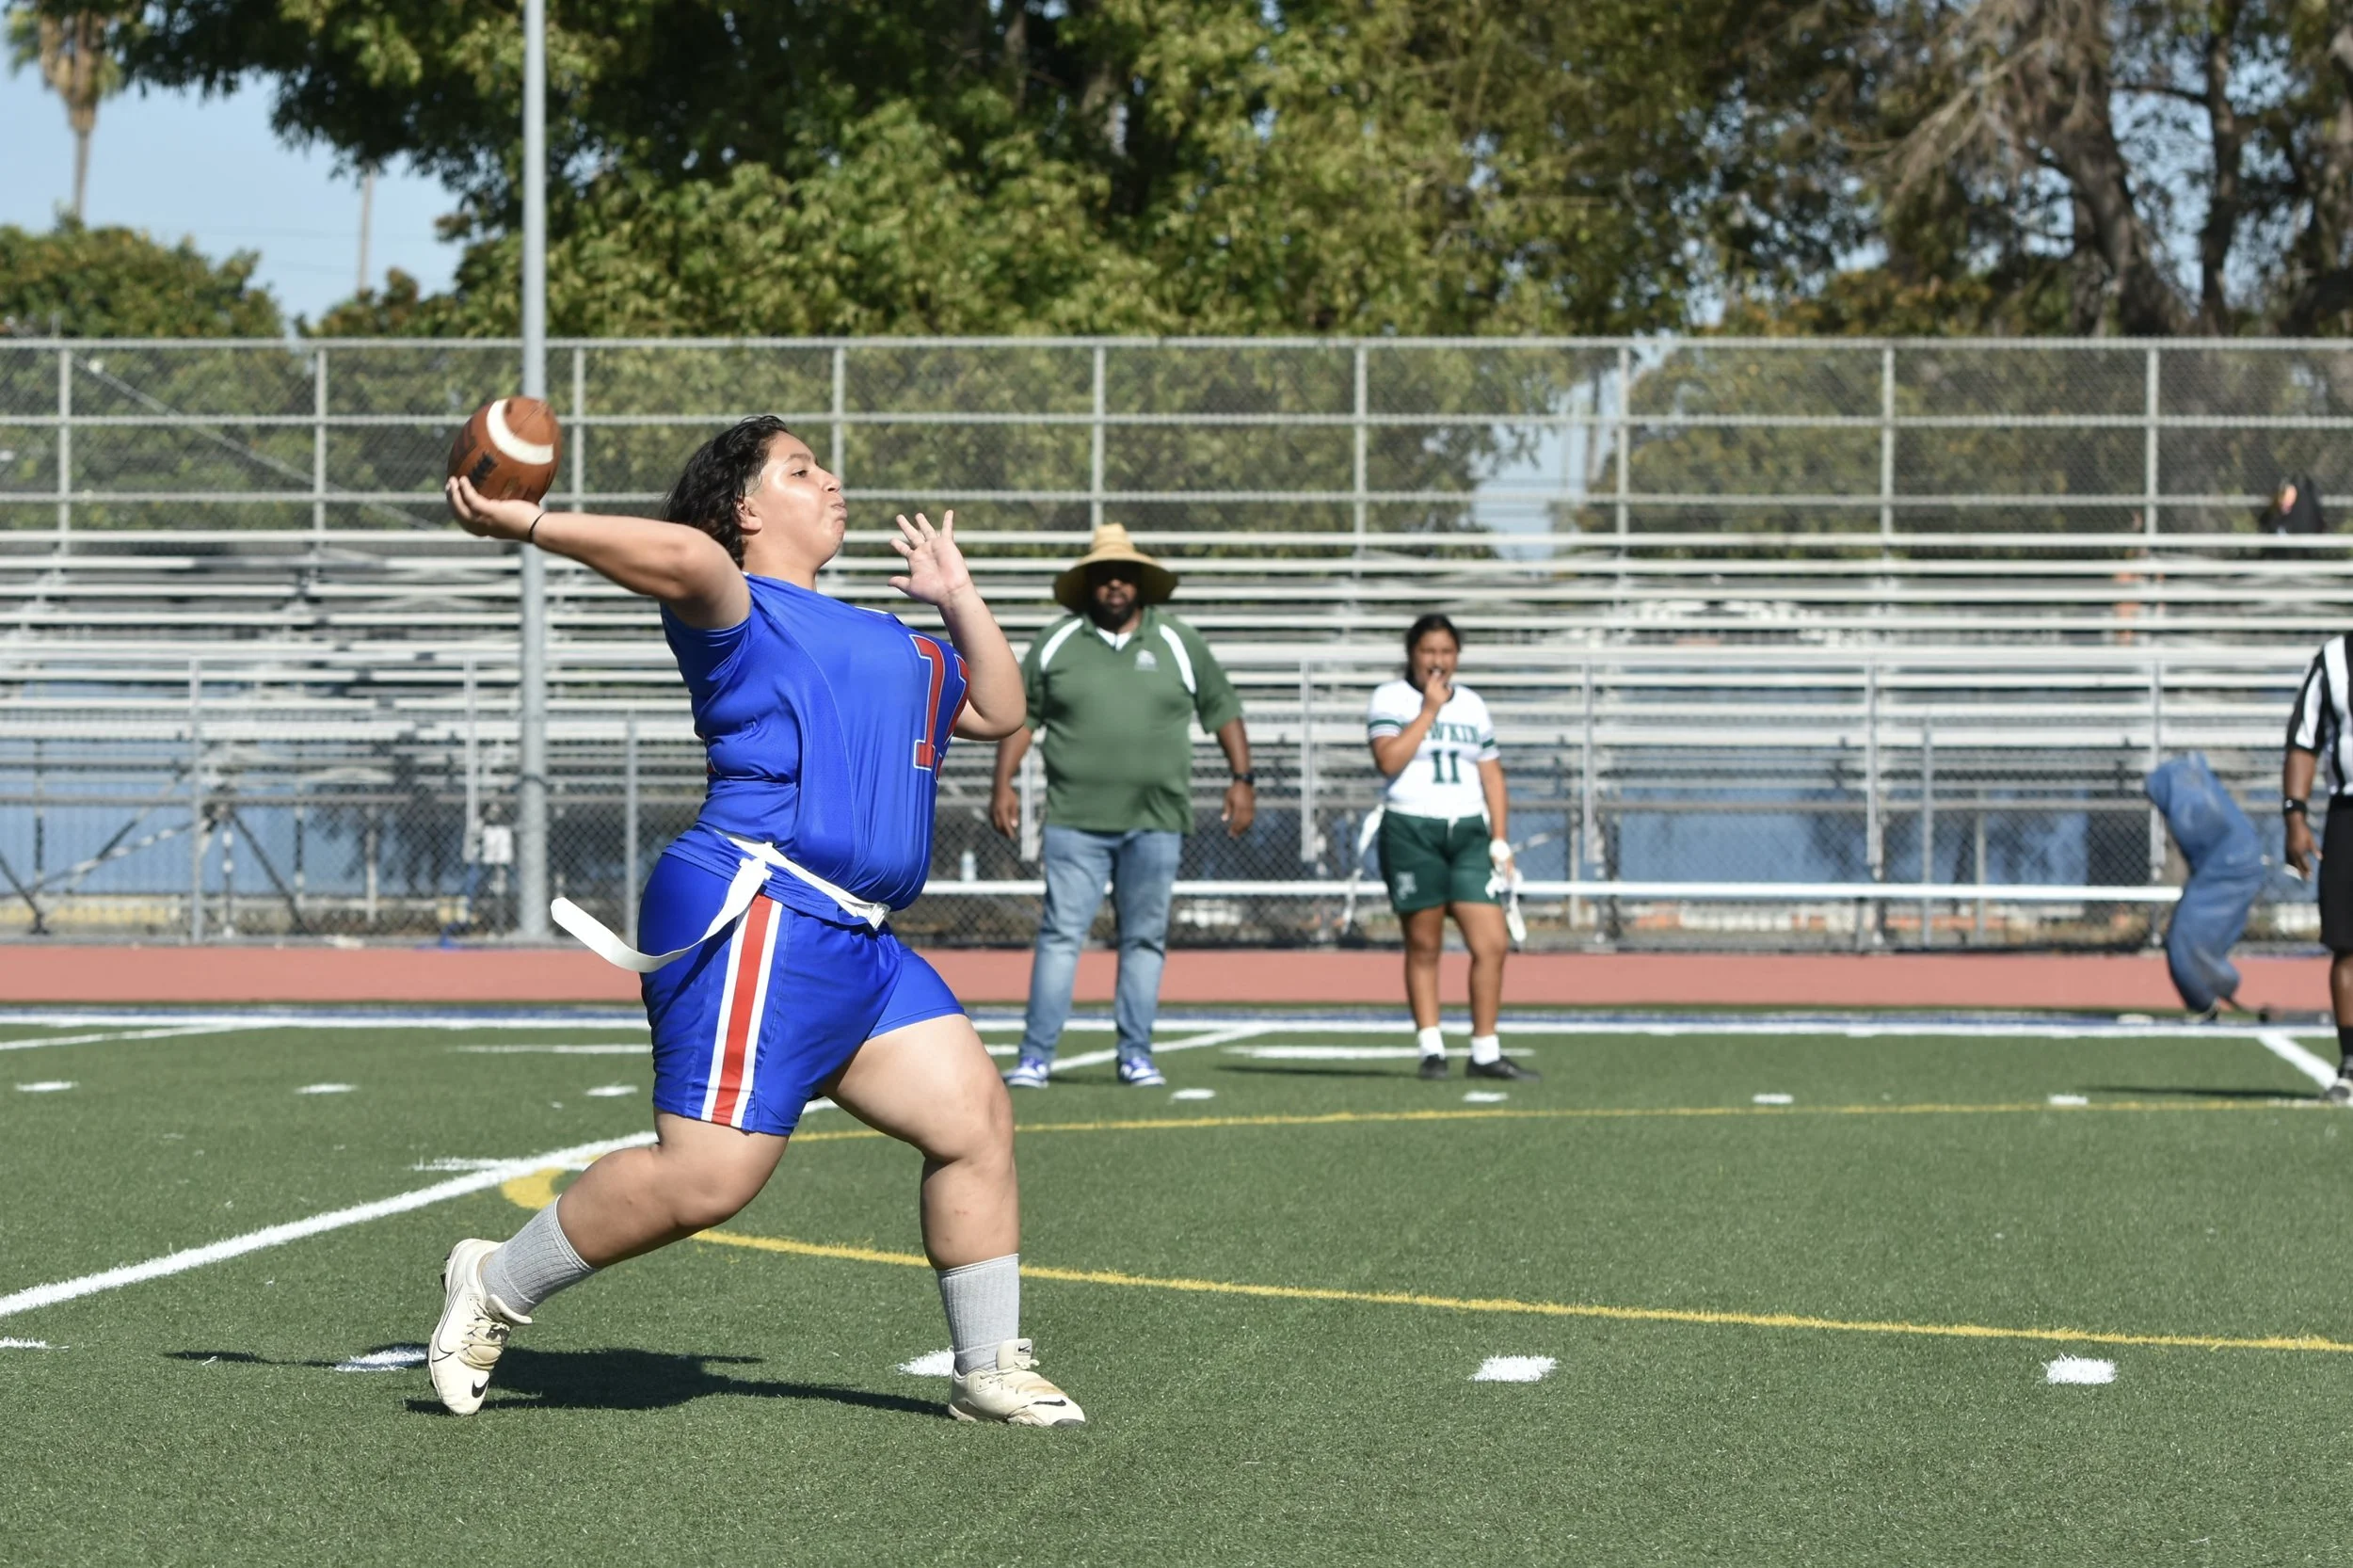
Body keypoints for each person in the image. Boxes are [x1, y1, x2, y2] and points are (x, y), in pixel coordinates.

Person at [426, 416, 1084, 1425]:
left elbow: (999, 709)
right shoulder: (738, 606)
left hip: (859, 936)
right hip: (762, 908)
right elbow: (687, 557)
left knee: (973, 1124)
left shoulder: (889, 638)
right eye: (800, 469)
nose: (831, 480)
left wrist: (958, 595)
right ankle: (494, 1282)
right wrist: (533, 524)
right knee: (707, 1180)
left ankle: (987, 1365)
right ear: (744, 509)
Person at [988, 524, 1253, 1088]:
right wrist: (1002, 782)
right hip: (1074, 819)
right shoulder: (1057, 641)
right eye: (1103, 575)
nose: (1114, 584)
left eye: (1125, 575)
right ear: (1088, 584)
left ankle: (1136, 1054)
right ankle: (1036, 1056)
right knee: (1062, 936)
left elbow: (1223, 708)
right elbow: (1021, 716)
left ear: (1140, 583)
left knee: (1144, 939)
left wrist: (1242, 778)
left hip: (1157, 820)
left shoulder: (1178, 640)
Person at [1365, 615, 1536, 1081]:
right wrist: (1429, 711)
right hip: (1412, 828)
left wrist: (1500, 839)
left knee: (1491, 942)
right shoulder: (1390, 697)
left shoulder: (1473, 704)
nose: (1437, 661)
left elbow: (1492, 774)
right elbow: (1388, 760)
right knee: (1424, 943)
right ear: (1411, 654)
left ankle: (1485, 1050)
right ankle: (1431, 1047)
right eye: (1428, 651)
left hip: (1467, 833)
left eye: (1446, 651)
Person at [2285, 633, 2353, 1103]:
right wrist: (2295, 814)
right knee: (2348, 945)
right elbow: (2303, 739)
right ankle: (2351, 1063)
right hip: (2349, 814)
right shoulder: (2334, 659)